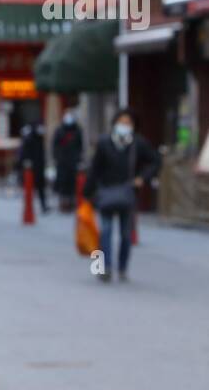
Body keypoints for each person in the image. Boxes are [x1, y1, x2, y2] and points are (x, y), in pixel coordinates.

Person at [83, 109, 160, 282]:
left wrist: (142, 178)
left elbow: (155, 161)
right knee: (106, 231)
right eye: (121, 122)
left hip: (128, 193)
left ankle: (123, 267)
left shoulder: (138, 144)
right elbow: (95, 169)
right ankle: (106, 267)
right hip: (106, 191)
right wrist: (87, 192)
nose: (124, 126)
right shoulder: (104, 143)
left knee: (126, 234)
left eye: (128, 123)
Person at [52, 111, 85, 211]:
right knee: (62, 182)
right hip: (62, 161)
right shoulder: (59, 130)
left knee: (73, 182)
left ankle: (72, 201)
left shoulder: (78, 130)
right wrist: (57, 157)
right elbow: (55, 145)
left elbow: (80, 145)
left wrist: (79, 157)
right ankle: (63, 202)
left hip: (74, 160)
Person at [16, 121, 49, 214]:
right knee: (30, 188)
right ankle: (29, 207)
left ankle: (42, 206)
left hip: (39, 166)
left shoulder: (39, 139)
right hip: (30, 168)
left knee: (40, 188)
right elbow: (23, 154)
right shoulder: (29, 139)